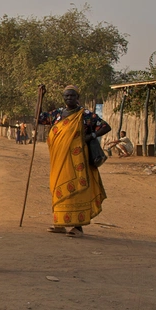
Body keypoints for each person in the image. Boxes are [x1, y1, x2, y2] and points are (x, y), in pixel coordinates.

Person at [37, 85, 111, 238]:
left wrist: (90, 137)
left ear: (77, 98)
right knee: (58, 187)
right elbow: (38, 119)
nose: (69, 98)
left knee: (77, 188)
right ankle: (60, 223)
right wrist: (41, 97)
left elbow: (105, 127)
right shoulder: (57, 114)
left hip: (78, 160)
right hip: (59, 160)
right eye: (66, 96)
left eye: (72, 96)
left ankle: (78, 227)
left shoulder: (85, 115)